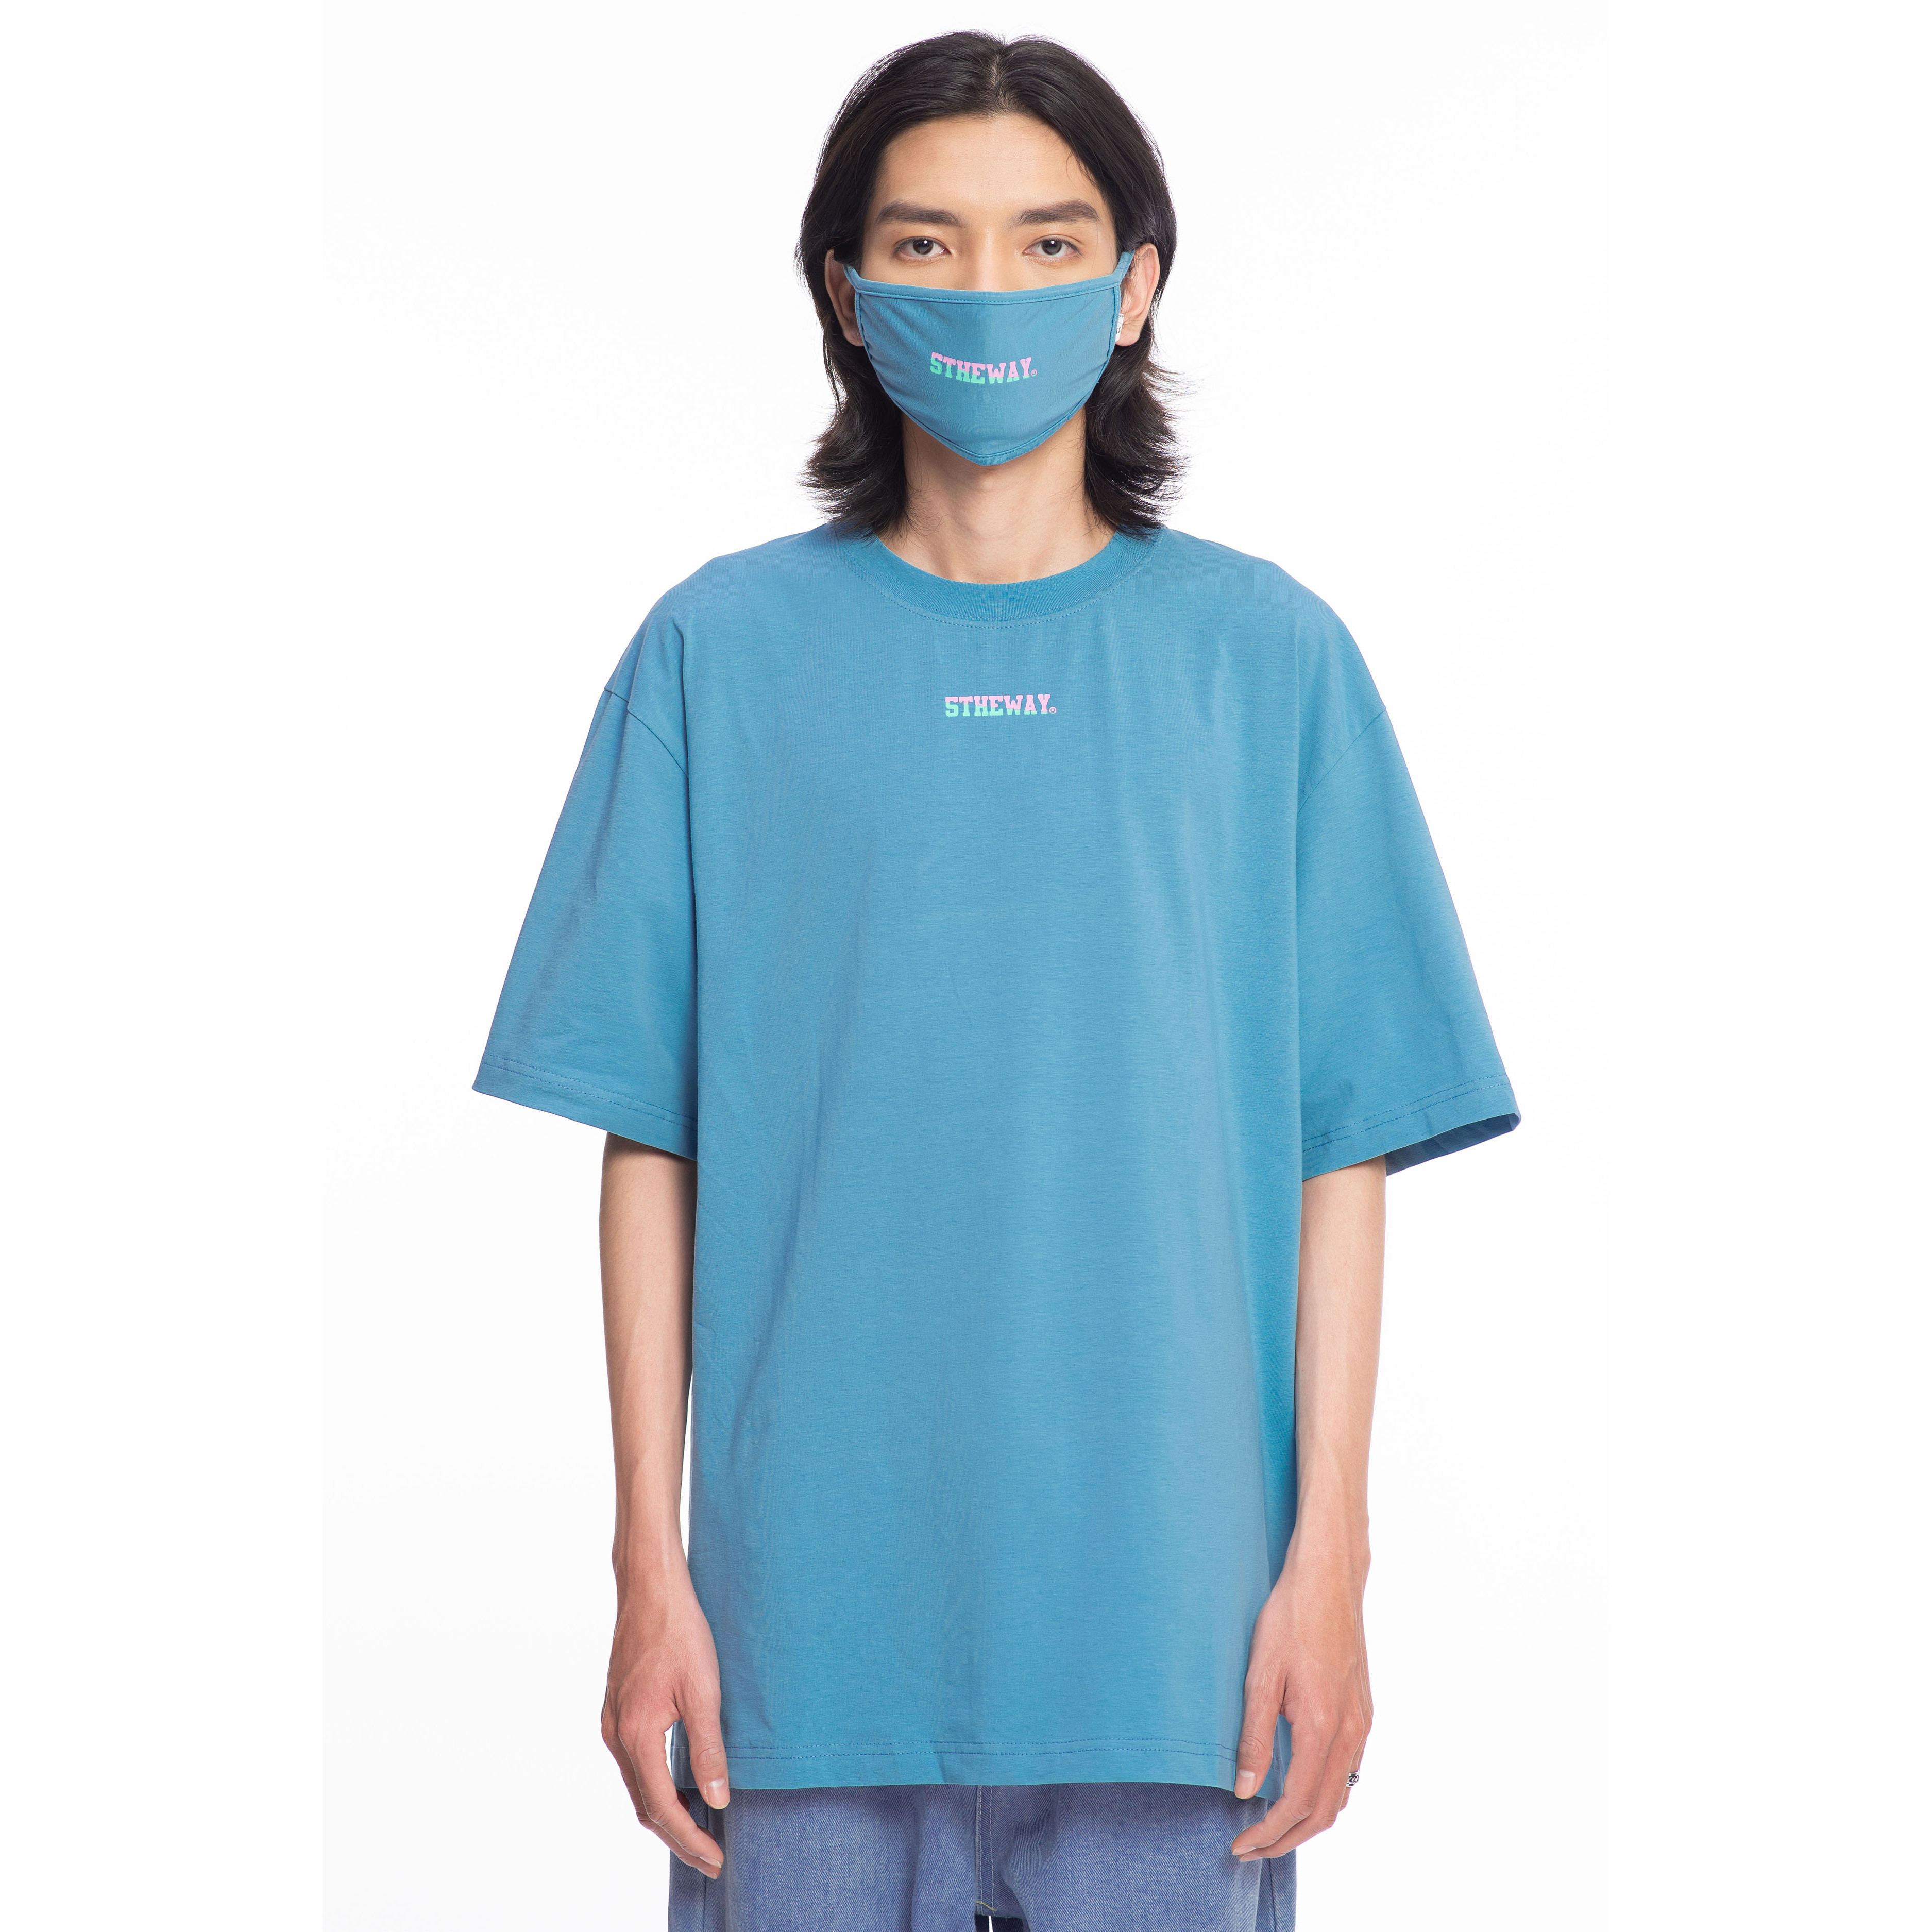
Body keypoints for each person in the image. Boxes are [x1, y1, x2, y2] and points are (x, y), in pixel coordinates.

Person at [473, 30, 1517, 1932]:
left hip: (1178, 1641)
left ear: (1133, 287)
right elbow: (651, 1136)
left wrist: (1331, 1568)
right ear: (845, 293)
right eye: (926, 244)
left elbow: (1341, 1150)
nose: (986, 290)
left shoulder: (1267, 661)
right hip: (797, 1651)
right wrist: (646, 1567)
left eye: (1047, 244)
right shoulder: (718, 653)